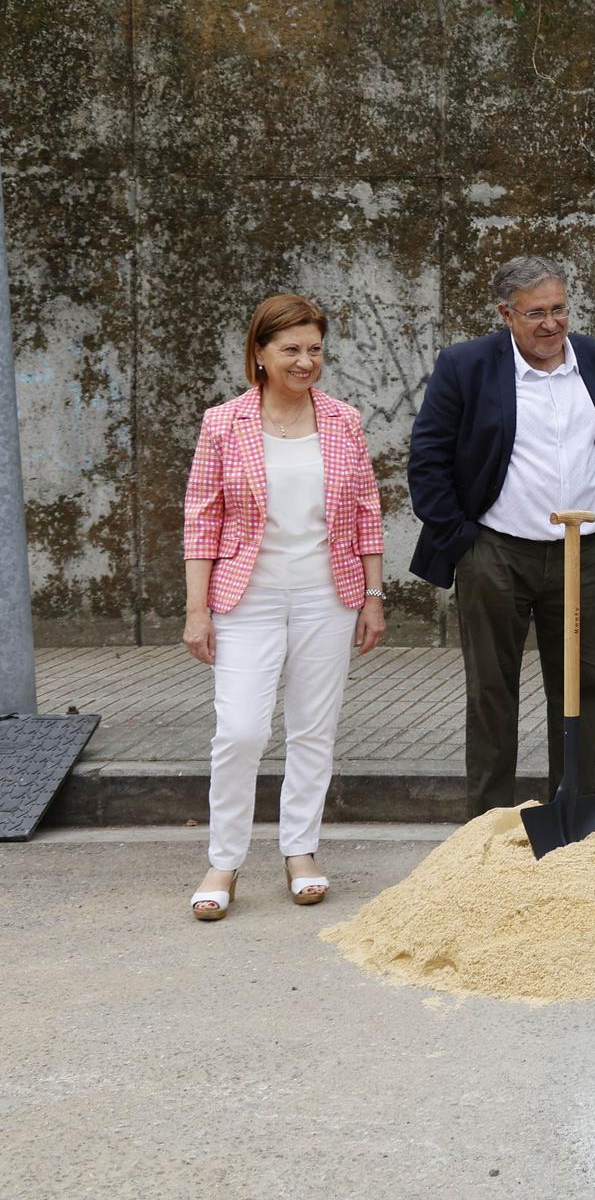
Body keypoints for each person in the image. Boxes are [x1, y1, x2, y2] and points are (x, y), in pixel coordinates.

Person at [407, 256, 595, 818]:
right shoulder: (468, 365)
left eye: (559, 309)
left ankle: (573, 814)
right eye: (536, 313)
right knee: (491, 691)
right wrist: (464, 542)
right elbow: (428, 460)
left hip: (583, 553)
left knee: (584, 687)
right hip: (495, 553)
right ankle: (488, 822)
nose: (551, 324)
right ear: (505, 314)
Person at [183, 294, 386, 920]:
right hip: (248, 597)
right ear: (260, 355)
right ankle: (225, 860)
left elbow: (366, 512)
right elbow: (201, 519)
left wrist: (373, 596)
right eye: (291, 349)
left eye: (315, 350)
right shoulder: (224, 423)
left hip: (330, 594)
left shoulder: (344, 420)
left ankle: (301, 851)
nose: (305, 361)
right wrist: (197, 610)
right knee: (241, 731)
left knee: (313, 730)